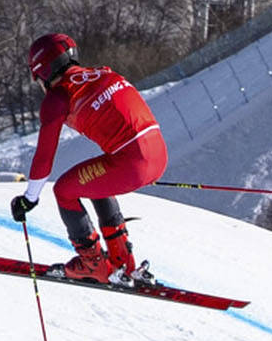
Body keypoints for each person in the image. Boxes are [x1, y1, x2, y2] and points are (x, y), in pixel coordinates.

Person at [10, 29, 169, 285]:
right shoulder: (104, 73)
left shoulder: (59, 96)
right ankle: (123, 264)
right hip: (158, 154)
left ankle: (93, 264)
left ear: (42, 71)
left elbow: (43, 158)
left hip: (131, 163)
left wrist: (29, 199)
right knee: (96, 182)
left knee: (64, 190)